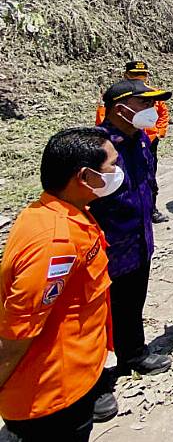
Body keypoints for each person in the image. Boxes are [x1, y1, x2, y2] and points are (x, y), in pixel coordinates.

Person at [0, 128, 119, 441]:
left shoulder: (64, 211)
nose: (118, 173)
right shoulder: (56, 243)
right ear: (84, 177)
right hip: (55, 396)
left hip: (76, 376)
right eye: (111, 166)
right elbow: (17, 334)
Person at [90, 79, 173, 376]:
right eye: (145, 104)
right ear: (120, 109)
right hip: (106, 247)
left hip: (138, 241)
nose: (152, 109)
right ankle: (94, 378)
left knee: (131, 303)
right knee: (98, 315)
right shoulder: (96, 147)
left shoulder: (140, 139)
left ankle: (134, 355)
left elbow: (147, 181)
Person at [96, 61, 170, 224]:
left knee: (147, 176)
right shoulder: (117, 95)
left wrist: (158, 132)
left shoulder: (151, 94)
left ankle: (151, 209)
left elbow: (163, 114)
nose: (140, 79)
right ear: (126, 76)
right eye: (136, 75)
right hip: (117, 235)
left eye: (143, 75)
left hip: (149, 141)